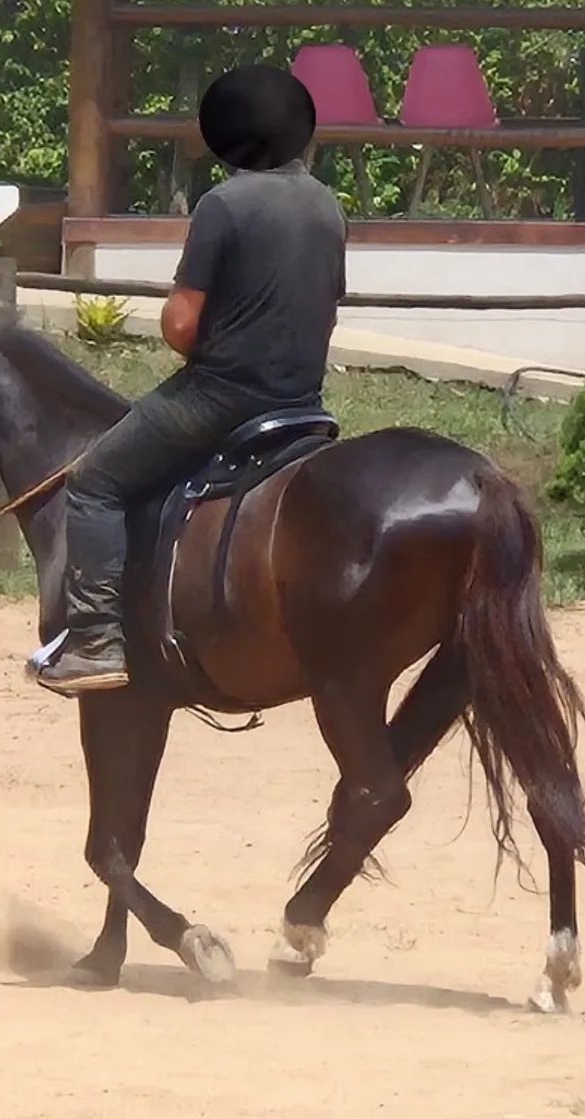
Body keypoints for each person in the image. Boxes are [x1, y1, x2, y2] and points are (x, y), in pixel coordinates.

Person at [37, 63, 347, 696]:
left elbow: (181, 325)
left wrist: (192, 333)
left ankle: (95, 639)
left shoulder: (223, 205)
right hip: (304, 404)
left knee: (93, 481)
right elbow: (330, 313)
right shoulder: (327, 206)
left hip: (222, 399)